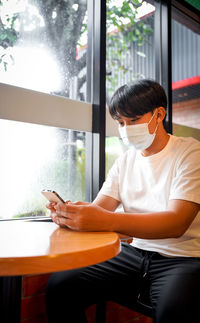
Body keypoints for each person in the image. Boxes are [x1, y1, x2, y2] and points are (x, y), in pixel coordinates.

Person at [45, 79, 200, 323]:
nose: (126, 129)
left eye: (134, 120)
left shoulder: (190, 153)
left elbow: (176, 223)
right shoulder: (126, 161)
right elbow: (100, 210)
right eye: (120, 122)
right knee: (61, 285)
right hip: (133, 254)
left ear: (159, 114)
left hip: (184, 258)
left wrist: (104, 219)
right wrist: (70, 214)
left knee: (173, 311)